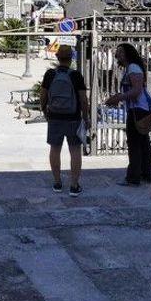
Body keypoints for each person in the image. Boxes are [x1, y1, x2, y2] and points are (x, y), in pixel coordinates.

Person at [40, 45, 88, 195]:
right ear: (71, 58)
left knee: (55, 149)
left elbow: (43, 95)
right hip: (73, 117)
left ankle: (57, 183)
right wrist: (85, 117)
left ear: (57, 57)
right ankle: (74, 185)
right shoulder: (76, 75)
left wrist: (45, 111)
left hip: (55, 116)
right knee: (75, 150)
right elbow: (83, 99)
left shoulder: (50, 74)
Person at [114, 42, 151, 186]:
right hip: (139, 108)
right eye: (117, 51)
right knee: (143, 143)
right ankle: (145, 174)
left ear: (127, 53)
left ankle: (133, 177)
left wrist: (118, 98)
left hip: (137, 109)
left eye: (120, 51)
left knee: (134, 144)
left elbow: (136, 90)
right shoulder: (131, 68)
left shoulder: (132, 67)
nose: (117, 54)